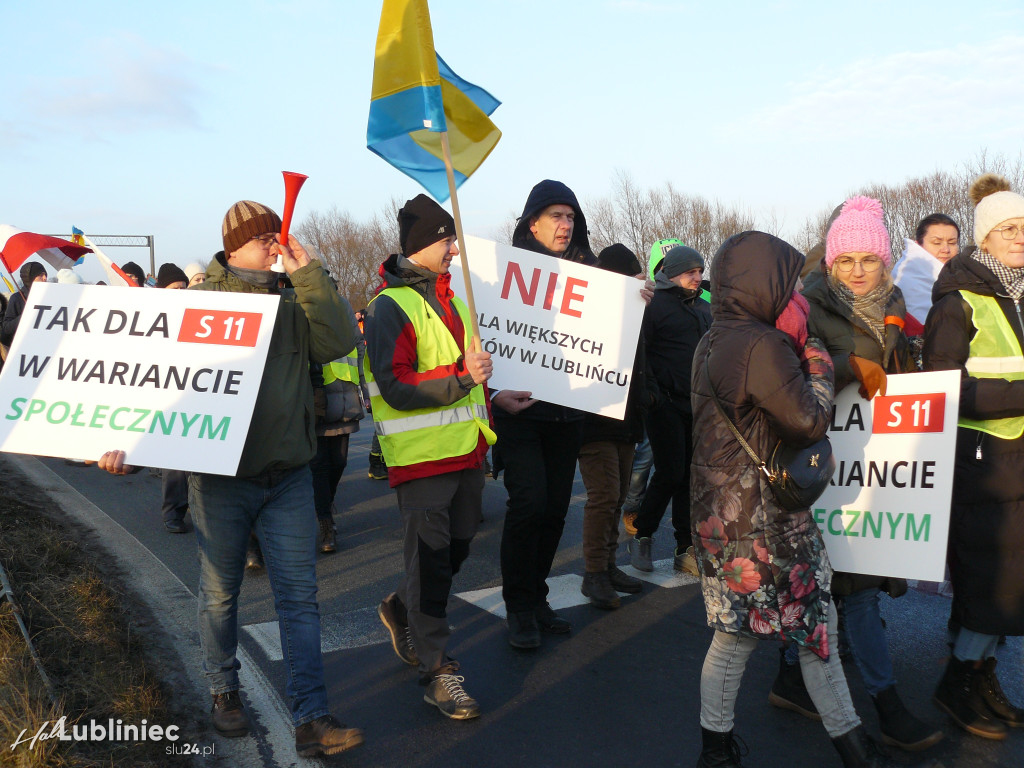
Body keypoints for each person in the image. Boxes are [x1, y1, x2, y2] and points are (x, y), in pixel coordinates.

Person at [99, 200, 362, 757]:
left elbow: (338, 342)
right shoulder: (198, 303)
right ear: (234, 244)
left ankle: (312, 717)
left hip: (289, 476)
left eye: (280, 234)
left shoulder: (293, 300)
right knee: (221, 596)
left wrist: (308, 274)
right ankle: (224, 691)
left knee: (300, 599)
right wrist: (125, 445)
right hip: (220, 482)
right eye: (265, 236)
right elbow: (150, 383)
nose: (275, 243)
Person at [690, 231, 938, 768]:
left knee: (733, 637)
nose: (790, 289)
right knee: (815, 632)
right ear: (764, 282)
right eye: (783, 277)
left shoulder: (712, 338)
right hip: (768, 520)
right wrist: (821, 362)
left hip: (720, 516)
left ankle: (716, 750)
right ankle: (856, 749)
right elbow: (808, 419)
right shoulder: (764, 343)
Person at [800, 196, 942, 752]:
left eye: (869, 259)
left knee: (836, 586)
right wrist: (843, 368)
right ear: (829, 264)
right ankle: (886, 704)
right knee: (849, 589)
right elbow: (789, 376)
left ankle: (793, 675)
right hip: (822, 467)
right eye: (846, 260)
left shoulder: (896, 305)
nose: (858, 271)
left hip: (874, 464)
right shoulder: (808, 308)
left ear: (885, 261)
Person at [365, 194, 494, 719]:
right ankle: (439, 672)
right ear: (422, 246)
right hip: (421, 461)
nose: (454, 248)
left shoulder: (454, 302)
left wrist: (494, 397)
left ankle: (402, 608)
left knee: (450, 555)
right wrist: (464, 378)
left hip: (465, 453)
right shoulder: (388, 306)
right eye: (447, 239)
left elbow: (473, 375)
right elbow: (395, 387)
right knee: (433, 562)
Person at [924, 174, 1024, 740]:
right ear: (984, 239)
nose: (1019, 237)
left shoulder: (1018, 294)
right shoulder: (958, 302)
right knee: (993, 580)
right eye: (1007, 229)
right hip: (982, 464)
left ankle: (982, 679)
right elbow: (943, 388)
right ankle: (957, 687)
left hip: (1017, 459)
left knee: (1009, 579)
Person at [494, 179, 596, 649]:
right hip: (520, 415)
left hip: (567, 415)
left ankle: (537, 597)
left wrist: (634, 304)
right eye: (556, 215)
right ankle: (517, 605)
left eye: (571, 216)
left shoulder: (591, 277)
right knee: (529, 505)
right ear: (531, 222)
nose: (565, 224)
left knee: (555, 511)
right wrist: (494, 393)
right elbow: (488, 336)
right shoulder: (502, 273)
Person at [627, 245, 710, 577]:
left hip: (697, 403)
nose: (698, 277)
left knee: (689, 477)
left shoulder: (703, 309)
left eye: (700, 271)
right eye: (691, 272)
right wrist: (650, 394)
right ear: (672, 273)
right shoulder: (653, 305)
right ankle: (643, 535)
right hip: (663, 404)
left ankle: (684, 546)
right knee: (670, 472)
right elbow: (639, 350)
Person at [576, 244, 646, 609]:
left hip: (626, 416)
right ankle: (594, 573)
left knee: (616, 497)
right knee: (603, 497)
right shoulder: (591, 306)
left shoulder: (637, 310)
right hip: (594, 418)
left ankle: (607, 565)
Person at [309, 295, 365, 554]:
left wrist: (364, 388)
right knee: (319, 465)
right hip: (315, 399)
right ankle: (325, 522)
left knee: (339, 462)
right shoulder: (297, 302)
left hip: (344, 398)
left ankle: (324, 507)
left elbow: (359, 347)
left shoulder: (341, 303)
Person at [154, 262, 192, 533]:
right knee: (175, 464)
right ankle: (173, 513)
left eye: (183, 287)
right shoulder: (154, 319)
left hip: (196, 394)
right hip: (169, 397)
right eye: (174, 287)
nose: (180, 292)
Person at [893, 213, 961, 365]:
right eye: (937, 243)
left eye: (952, 242)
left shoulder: (960, 276)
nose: (945, 249)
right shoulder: (906, 277)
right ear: (919, 245)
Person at [1, 262, 49, 350]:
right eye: (40, 276)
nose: (45, 278)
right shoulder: (17, 298)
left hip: (45, 347)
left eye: (45, 275)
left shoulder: (50, 297)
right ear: (30, 279)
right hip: (23, 350)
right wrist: (25, 315)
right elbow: (6, 329)